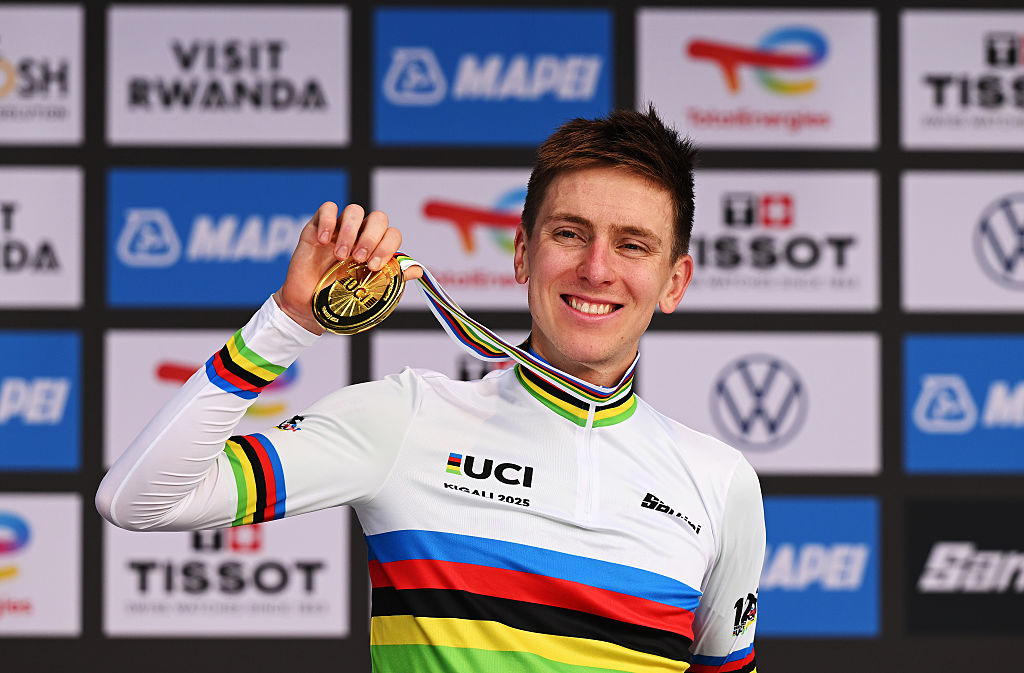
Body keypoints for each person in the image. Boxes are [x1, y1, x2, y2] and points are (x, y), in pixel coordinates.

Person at [97, 107, 764, 673]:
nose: (596, 268)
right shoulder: (407, 418)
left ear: (675, 281)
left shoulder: (717, 481)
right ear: (522, 252)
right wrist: (287, 322)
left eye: (633, 245)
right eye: (570, 233)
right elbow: (138, 500)